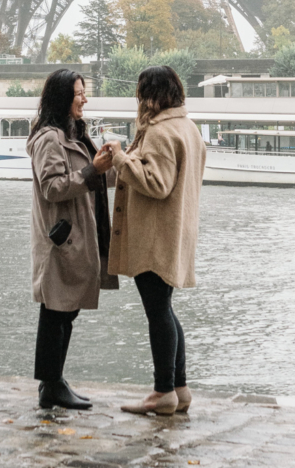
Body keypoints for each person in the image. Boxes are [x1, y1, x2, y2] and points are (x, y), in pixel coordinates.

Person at [107, 64, 206, 417]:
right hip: (176, 231)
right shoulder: (188, 128)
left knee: (158, 311)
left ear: (150, 96)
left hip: (155, 235)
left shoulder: (161, 133)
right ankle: (178, 387)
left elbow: (157, 183)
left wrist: (119, 157)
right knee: (165, 308)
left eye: (140, 95)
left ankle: (163, 390)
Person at [27, 68, 117, 410]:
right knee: (56, 313)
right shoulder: (50, 138)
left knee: (66, 312)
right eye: (80, 93)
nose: (85, 98)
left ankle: (54, 382)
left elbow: (89, 178)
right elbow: (53, 188)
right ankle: (50, 384)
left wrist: (114, 166)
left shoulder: (74, 133)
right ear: (63, 97)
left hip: (76, 235)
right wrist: (93, 169)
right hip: (61, 240)